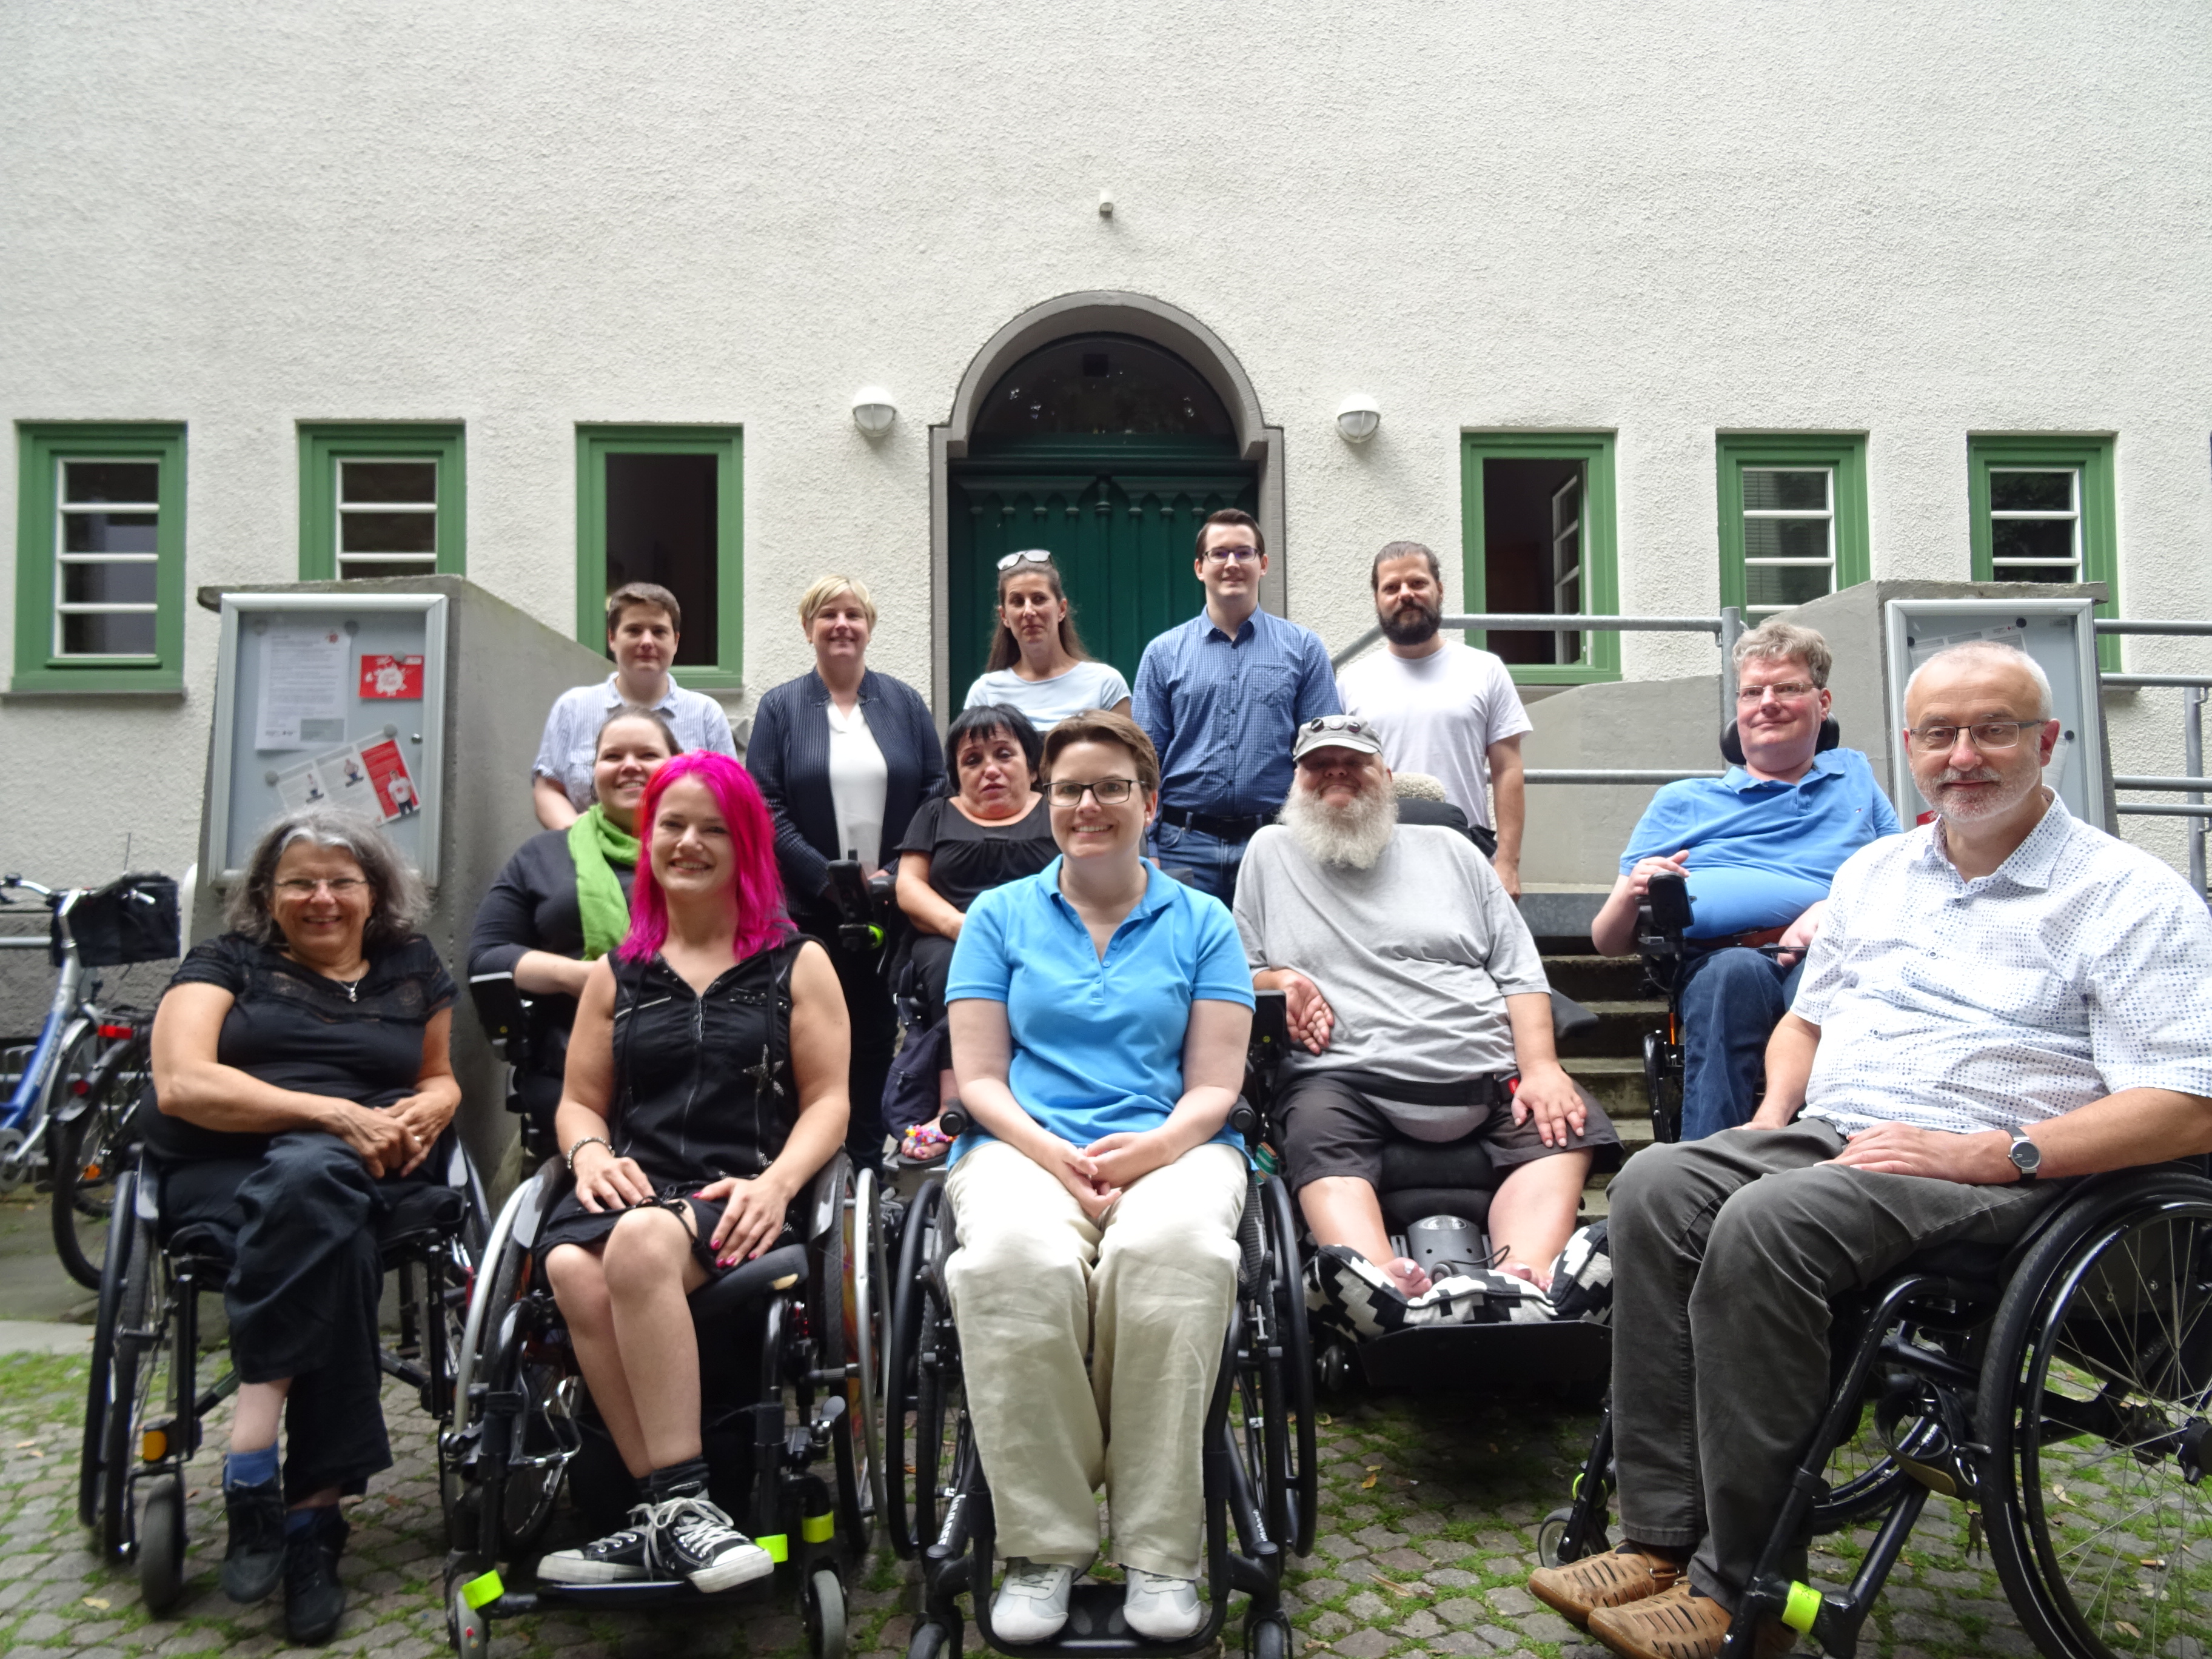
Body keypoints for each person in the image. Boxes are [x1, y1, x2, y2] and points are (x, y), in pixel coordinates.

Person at [1528, 641, 2212, 1659]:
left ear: (2047, 742)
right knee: (1660, 1183)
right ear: (1907, 747)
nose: (1963, 755)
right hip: (1842, 1135)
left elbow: (2187, 1105)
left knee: (1768, 1226)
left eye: (1992, 730)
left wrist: (1987, 1154)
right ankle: (1661, 1538)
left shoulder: (2125, 897)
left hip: (2016, 1173)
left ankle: (1742, 1588)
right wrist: (1765, 1114)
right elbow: (1805, 1019)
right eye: (1938, 734)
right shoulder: (1877, 870)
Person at [943, 709, 1255, 1643]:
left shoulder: (1203, 922)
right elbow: (980, 1079)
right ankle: (1043, 1546)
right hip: (1022, 1150)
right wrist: (1051, 1153)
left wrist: (1152, 1151)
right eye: (1072, 787)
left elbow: (1216, 1085)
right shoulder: (998, 918)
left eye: (1112, 787)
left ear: (1148, 803)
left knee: (1176, 1256)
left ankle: (1161, 1551)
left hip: (1175, 1150)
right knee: (1005, 1266)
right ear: (1048, 804)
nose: (1090, 805)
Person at [532, 752, 851, 1592]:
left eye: (714, 827)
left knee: (636, 1245)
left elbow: (830, 1103)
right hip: (631, 1184)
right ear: (649, 841)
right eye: (672, 825)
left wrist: (780, 1182)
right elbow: (578, 1103)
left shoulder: (796, 962)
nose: (689, 842)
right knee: (567, 1259)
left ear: (747, 844)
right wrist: (589, 1152)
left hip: (738, 1191)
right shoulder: (619, 973)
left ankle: (671, 1504)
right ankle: (675, 1515)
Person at [146, 812, 460, 1644]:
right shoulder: (224, 963)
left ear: (374, 891)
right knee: (321, 1192)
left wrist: (429, 1109)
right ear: (266, 894)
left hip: (376, 1165)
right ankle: (312, 1524)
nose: (322, 898)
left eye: (341, 882)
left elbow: (438, 1077)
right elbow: (180, 1084)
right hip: (229, 1169)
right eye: (300, 883)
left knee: (323, 1184)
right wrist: (332, 1115)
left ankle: (255, 1468)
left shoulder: (411, 966)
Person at [1236, 716, 1619, 1298]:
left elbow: (1519, 971)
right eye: (1317, 765)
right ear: (1296, 783)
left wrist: (1541, 1068)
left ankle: (1523, 1279)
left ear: (1387, 776)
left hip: (1485, 1075)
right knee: (1313, 1132)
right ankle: (1378, 1281)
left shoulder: (1453, 851)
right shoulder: (1269, 853)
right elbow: (1237, 967)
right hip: (1344, 1080)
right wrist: (1275, 977)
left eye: (1354, 763)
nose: (1335, 772)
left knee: (1566, 1127)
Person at [1588, 620, 1900, 1138]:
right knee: (1735, 975)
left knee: (1825, 982)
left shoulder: (1854, 779)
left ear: (1824, 703)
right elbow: (1607, 941)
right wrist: (1631, 887)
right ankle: (1706, 1169)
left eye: (1788, 688)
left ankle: (1824, 1160)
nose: (1768, 702)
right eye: (1753, 691)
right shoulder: (1683, 801)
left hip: (1831, 951)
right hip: (1719, 959)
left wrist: (1831, 909)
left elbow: (1900, 877)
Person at [748, 574, 945, 1164]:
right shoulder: (781, 707)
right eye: (828, 614)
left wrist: (896, 871)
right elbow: (765, 804)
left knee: (877, 1037)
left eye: (853, 614)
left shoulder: (905, 703)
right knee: (811, 1042)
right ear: (808, 628)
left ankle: (866, 1169)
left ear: (869, 627)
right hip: (808, 912)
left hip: (891, 907)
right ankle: (810, 1167)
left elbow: (936, 792)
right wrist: (827, 879)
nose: (842, 625)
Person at [469, 706, 681, 1146]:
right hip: (573, 1064)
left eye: (647, 754)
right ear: (593, 771)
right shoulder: (542, 855)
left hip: (697, 1059)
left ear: (676, 765)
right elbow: (487, 956)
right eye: (612, 756)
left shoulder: (709, 851)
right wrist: (584, 979)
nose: (629, 766)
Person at [1131, 508, 1339, 903]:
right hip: (1181, 847)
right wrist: (1147, 848)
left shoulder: (1303, 648)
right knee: (1185, 959)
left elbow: (1321, 754)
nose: (1231, 564)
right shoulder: (1163, 654)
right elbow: (1144, 760)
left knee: (1274, 957)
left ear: (1263, 564)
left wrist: (1316, 842)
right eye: (1219, 554)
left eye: (1244, 553)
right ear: (1199, 567)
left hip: (1277, 841)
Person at [890, 703, 1057, 1159]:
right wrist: (964, 927)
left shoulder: (1058, 810)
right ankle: (953, 1107)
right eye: (973, 760)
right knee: (958, 971)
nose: (991, 770)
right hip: (950, 936)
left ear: (1033, 764)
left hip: (1050, 935)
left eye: (1005, 754)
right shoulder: (936, 814)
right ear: (956, 773)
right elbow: (909, 886)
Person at [1336, 540, 1533, 895]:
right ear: (1377, 599)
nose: (1405, 594)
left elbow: (1508, 770)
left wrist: (1507, 862)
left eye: (1417, 583)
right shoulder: (1351, 682)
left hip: (1465, 854)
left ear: (1439, 590)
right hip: (1378, 859)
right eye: (1391, 587)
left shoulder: (1485, 669)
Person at [534, 581, 737, 831]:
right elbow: (548, 789)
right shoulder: (573, 708)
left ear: (676, 641)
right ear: (612, 638)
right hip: (586, 858)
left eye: (659, 632)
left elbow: (730, 798)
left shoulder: (706, 714)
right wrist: (580, 837)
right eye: (634, 630)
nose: (647, 641)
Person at [961, 550, 1132, 729]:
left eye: (1039, 599)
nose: (1028, 611)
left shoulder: (1105, 685)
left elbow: (1124, 756)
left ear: (1061, 609)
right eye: (1018, 602)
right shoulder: (984, 694)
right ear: (1004, 616)